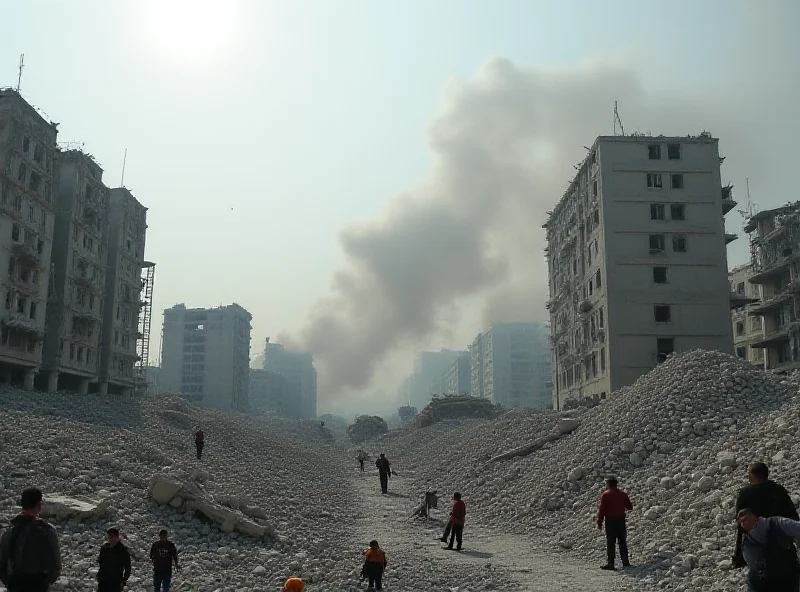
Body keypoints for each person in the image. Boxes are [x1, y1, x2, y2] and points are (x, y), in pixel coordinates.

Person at [733, 462, 798, 568]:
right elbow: (792, 515)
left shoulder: (745, 493)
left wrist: (738, 556)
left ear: (753, 475)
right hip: (781, 540)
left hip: (757, 542)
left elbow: (741, 523)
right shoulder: (778, 489)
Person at [0, 487, 61, 592]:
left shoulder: (9, 532)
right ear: (39, 505)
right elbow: (56, 567)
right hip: (39, 585)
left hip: (15, 585)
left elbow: (2, 566)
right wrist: (46, 582)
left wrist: (11, 583)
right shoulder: (47, 530)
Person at [736, 508, 800, 591]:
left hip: (775, 580)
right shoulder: (776, 522)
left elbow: (752, 566)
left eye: (744, 519)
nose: (743, 522)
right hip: (785, 577)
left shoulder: (748, 541)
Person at [596, 476, 633, 570]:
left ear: (608, 484)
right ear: (616, 484)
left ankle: (611, 564)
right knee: (622, 541)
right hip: (621, 520)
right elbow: (630, 507)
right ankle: (625, 562)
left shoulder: (605, 495)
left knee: (611, 542)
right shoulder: (623, 494)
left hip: (610, 521)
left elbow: (602, 510)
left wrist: (599, 521)